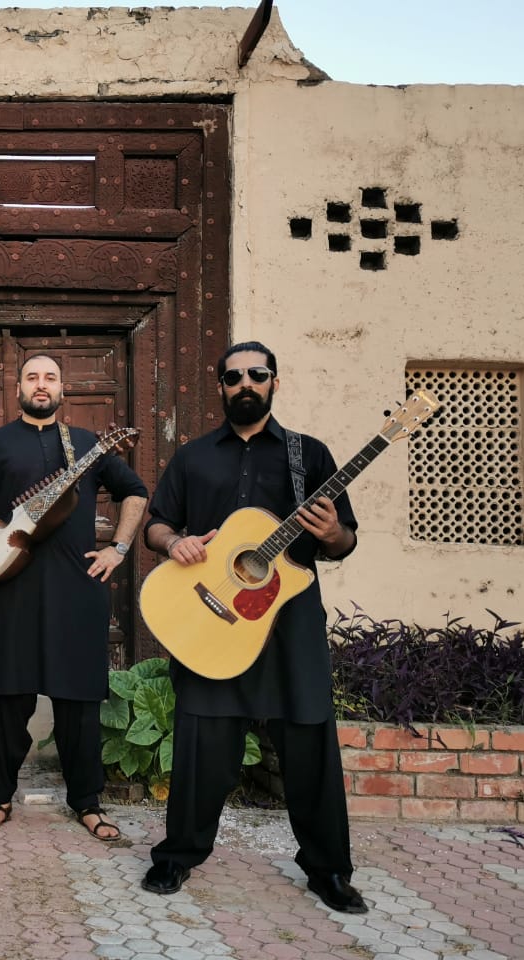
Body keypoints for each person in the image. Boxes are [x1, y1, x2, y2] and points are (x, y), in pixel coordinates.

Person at [141, 340, 366, 914]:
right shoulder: (193, 458)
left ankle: (328, 870)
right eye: (234, 376)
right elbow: (157, 525)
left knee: (310, 747)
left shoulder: (309, 456)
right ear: (220, 386)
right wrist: (175, 542)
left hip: (290, 625)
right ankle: (178, 855)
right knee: (201, 747)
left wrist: (332, 533)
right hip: (215, 622)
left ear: (274, 382)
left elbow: (343, 541)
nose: (246, 383)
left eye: (257, 374)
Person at [0, 354, 148, 842]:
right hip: (10, 590)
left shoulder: (87, 444)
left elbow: (136, 492)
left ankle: (88, 803)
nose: (42, 385)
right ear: (18, 388)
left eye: (51, 378)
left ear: (63, 390)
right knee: (7, 700)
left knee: (79, 704)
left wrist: (119, 548)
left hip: (77, 591)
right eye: (33, 377)